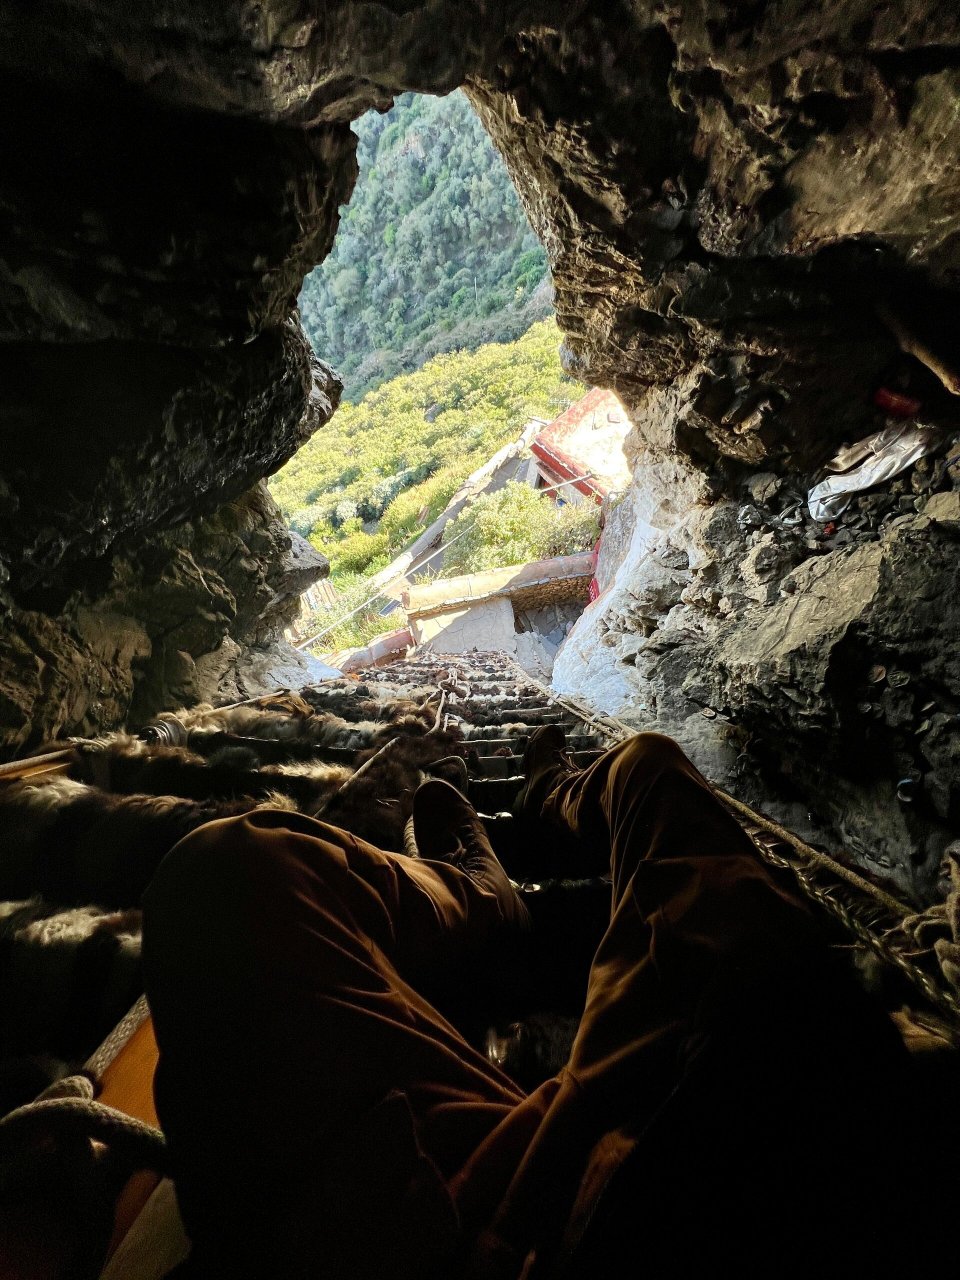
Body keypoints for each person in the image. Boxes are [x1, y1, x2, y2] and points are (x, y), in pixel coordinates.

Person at [143, 729, 918, 1280]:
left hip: (437, 1211)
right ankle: (551, 797)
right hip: (593, 1187)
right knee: (650, 775)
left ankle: (488, 891)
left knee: (225, 872)